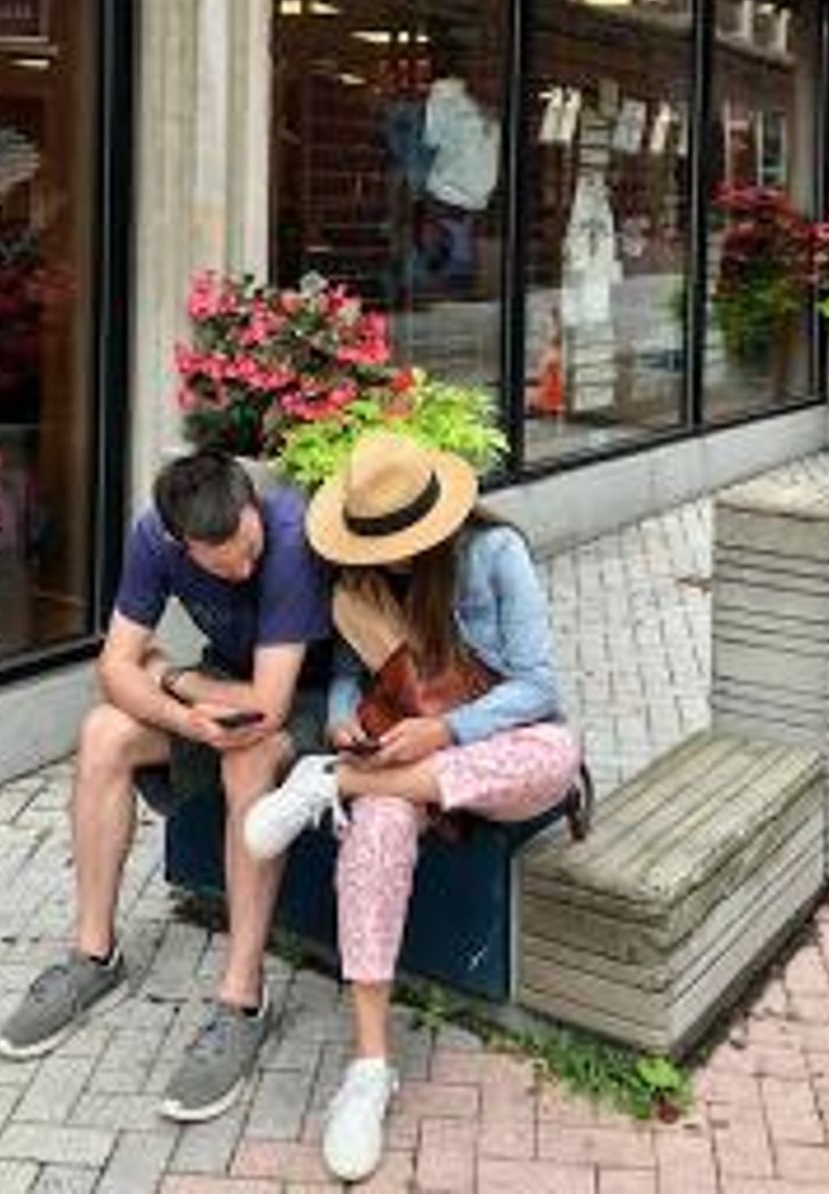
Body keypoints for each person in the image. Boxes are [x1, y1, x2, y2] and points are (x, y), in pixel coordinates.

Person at [242, 432, 582, 1184]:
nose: (386, 556)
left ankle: (333, 785)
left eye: (397, 542)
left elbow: (538, 688)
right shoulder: (360, 583)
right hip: (400, 763)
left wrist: (446, 730)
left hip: (490, 754)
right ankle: (369, 1069)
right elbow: (345, 674)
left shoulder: (495, 555)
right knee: (379, 829)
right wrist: (342, 721)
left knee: (558, 755)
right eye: (373, 542)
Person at [0, 448, 331, 1124]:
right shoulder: (154, 536)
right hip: (218, 691)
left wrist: (173, 678)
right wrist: (183, 714)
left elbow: (268, 705)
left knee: (246, 757)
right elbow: (114, 667)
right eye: (223, 564)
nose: (244, 569)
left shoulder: (290, 539)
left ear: (252, 507)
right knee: (103, 732)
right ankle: (95, 954)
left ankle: (243, 999)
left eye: (248, 549)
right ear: (181, 544)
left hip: (312, 697)